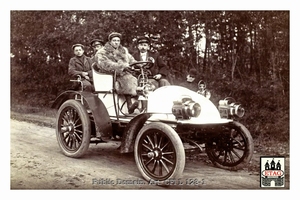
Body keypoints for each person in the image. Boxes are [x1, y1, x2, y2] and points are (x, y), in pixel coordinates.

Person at [94, 32, 138, 114]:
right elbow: (105, 64)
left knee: (142, 79)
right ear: (110, 41)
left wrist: (139, 65)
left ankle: (142, 105)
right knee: (127, 78)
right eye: (114, 40)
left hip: (122, 73)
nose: (116, 42)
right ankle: (129, 105)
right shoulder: (102, 52)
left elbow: (132, 60)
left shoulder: (123, 50)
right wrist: (122, 66)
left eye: (118, 40)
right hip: (109, 74)